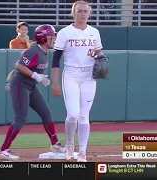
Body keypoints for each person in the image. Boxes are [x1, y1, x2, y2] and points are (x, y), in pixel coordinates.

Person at [0, 24, 66, 161]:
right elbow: (19, 65)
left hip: (30, 86)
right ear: (44, 38)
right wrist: (36, 76)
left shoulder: (44, 51)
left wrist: (38, 77)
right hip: (20, 85)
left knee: (46, 113)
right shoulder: (35, 51)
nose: (54, 38)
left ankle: (55, 144)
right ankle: (3, 150)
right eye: (52, 36)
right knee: (20, 118)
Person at [51, 0, 103, 162]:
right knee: (73, 114)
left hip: (88, 75)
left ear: (89, 13)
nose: (82, 14)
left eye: (85, 11)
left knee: (84, 116)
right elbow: (56, 60)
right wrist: (55, 82)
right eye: (79, 11)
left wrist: (99, 57)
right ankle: (70, 144)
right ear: (73, 13)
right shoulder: (65, 32)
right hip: (71, 74)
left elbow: (98, 52)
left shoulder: (94, 32)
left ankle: (82, 152)